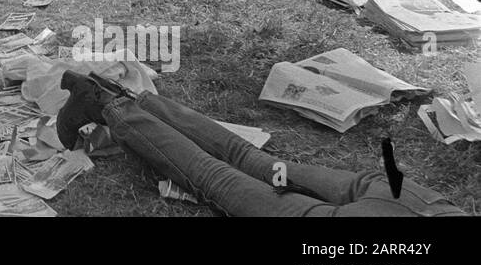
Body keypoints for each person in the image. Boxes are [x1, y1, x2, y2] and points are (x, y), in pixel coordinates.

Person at [56, 71, 465, 216]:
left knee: (247, 158)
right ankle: (106, 104)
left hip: (417, 202)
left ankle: (124, 96)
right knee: (212, 177)